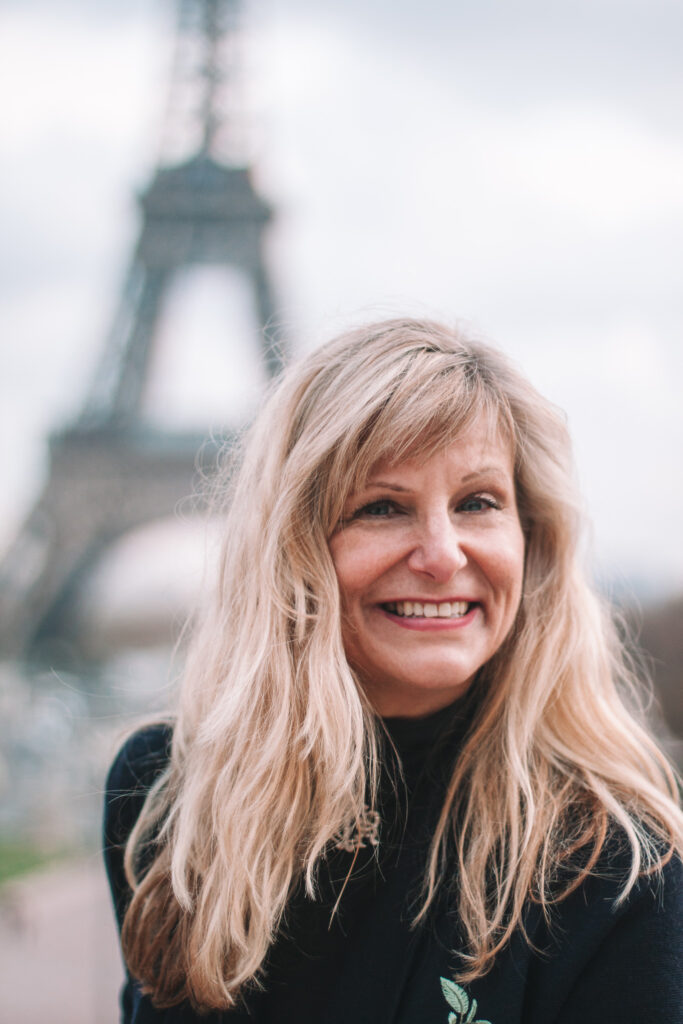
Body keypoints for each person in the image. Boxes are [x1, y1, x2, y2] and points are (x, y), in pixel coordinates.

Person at [104, 318, 683, 1024]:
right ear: (292, 547)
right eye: (381, 507)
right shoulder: (168, 795)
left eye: (477, 502)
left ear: (530, 540)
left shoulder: (619, 866)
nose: (441, 555)